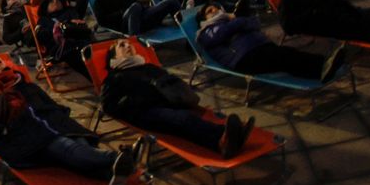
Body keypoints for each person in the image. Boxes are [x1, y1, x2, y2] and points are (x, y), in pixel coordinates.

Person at [0, 54, 140, 185]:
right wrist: (1, 130)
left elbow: (51, 104)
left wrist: (61, 116)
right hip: (30, 135)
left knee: (78, 153)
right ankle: (121, 157)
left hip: (58, 123)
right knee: (73, 151)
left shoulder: (27, 86)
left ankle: (111, 174)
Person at [100, 39, 255, 157]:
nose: (128, 46)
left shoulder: (148, 66)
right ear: (113, 59)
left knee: (189, 117)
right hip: (144, 111)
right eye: (121, 46)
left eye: (129, 44)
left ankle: (230, 134)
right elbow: (108, 105)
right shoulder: (115, 77)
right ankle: (219, 144)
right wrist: (135, 100)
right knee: (183, 119)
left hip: (167, 101)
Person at [197, 4, 345, 82]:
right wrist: (235, 19)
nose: (215, 10)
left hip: (257, 47)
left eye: (216, 7)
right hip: (242, 58)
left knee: (286, 55)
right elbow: (221, 34)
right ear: (204, 18)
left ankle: (324, 66)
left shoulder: (229, 20)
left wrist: (236, 20)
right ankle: (321, 68)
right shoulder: (206, 31)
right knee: (283, 57)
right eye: (210, 11)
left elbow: (254, 24)